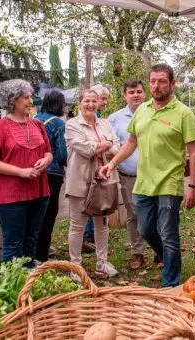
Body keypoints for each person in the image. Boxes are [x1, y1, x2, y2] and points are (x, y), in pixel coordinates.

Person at [98, 63, 195, 287]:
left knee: (167, 232)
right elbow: (131, 142)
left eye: (162, 81)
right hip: (143, 183)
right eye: (153, 81)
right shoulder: (142, 110)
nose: (157, 86)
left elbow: (194, 152)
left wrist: (193, 186)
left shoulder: (183, 112)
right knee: (144, 229)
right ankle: (168, 257)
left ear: (172, 84)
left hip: (169, 183)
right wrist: (113, 163)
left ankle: (170, 282)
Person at [0, 79, 52, 268]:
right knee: (13, 244)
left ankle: (28, 286)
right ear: (13, 100)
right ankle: (10, 289)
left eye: (30, 96)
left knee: (31, 241)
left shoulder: (38, 125)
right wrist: (20, 172)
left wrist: (45, 160)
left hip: (39, 193)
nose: (31, 101)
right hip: (10, 197)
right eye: (26, 97)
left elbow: (48, 152)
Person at [65, 89, 120, 278]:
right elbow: (84, 148)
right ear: (79, 104)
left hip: (103, 181)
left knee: (102, 224)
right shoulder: (72, 125)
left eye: (94, 101)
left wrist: (102, 145)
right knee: (77, 225)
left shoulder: (104, 124)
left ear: (98, 104)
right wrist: (105, 144)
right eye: (86, 101)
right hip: (80, 182)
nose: (90, 105)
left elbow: (117, 147)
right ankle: (76, 267)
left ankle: (102, 263)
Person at [107, 79, 148, 269]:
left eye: (139, 91)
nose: (136, 95)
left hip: (154, 175)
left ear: (144, 93)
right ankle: (137, 252)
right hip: (129, 176)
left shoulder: (152, 112)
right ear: (124, 95)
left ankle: (160, 251)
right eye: (131, 92)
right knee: (133, 215)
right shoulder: (114, 119)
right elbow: (110, 145)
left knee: (156, 213)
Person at [33, 91, 67, 263]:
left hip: (33, 171)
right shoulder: (57, 123)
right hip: (52, 173)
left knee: (35, 213)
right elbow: (61, 154)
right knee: (49, 214)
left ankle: (32, 251)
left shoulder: (34, 119)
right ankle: (42, 254)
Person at [83, 84, 110, 251]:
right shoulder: (87, 119)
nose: (104, 102)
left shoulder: (101, 120)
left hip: (101, 168)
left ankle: (93, 237)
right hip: (87, 170)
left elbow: (112, 143)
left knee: (98, 204)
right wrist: (105, 145)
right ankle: (87, 236)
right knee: (88, 203)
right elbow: (89, 147)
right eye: (103, 99)